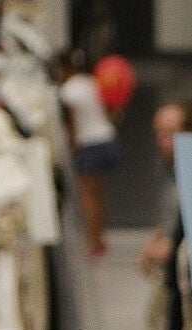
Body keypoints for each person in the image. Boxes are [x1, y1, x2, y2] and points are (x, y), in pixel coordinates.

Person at [57, 50, 120, 258]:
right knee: (98, 194)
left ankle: (93, 243)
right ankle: (100, 238)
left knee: (88, 196)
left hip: (90, 144)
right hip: (107, 139)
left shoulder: (68, 89)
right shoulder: (92, 82)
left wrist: (72, 148)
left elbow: (73, 123)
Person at [139, 101, 189, 276]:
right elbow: (169, 220)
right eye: (158, 133)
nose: (161, 140)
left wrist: (161, 248)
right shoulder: (168, 171)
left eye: (168, 133)